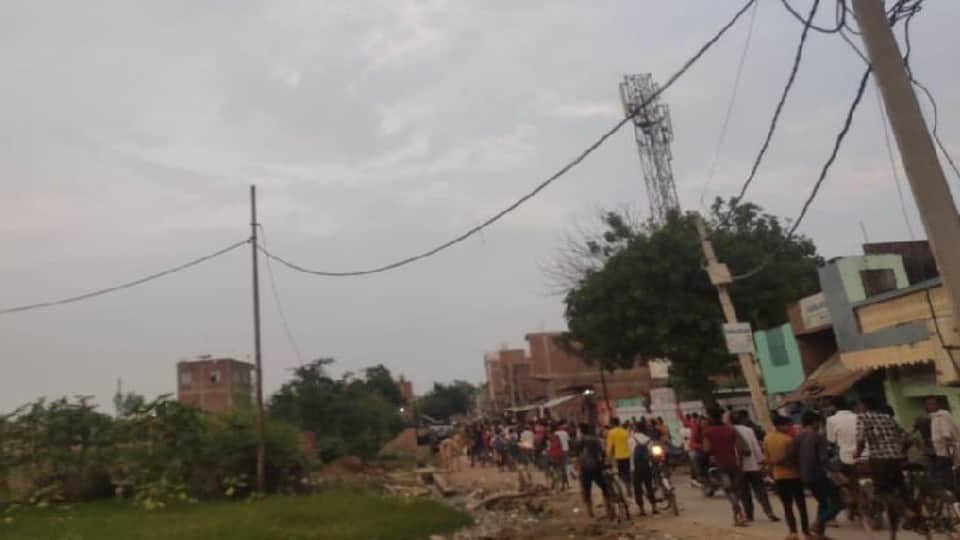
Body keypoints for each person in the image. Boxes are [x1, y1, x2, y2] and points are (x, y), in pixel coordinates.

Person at [789, 410, 843, 539]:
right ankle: (818, 523)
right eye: (818, 422)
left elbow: (791, 457)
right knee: (838, 502)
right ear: (814, 422)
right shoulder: (817, 437)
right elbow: (823, 459)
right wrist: (835, 471)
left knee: (822, 502)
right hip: (818, 474)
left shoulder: (797, 437)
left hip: (805, 476)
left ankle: (819, 533)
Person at [765, 415, 810, 540]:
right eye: (787, 425)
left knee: (787, 505)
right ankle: (806, 531)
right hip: (794, 475)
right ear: (780, 426)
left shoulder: (767, 439)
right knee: (801, 505)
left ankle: (793, 532)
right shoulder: (788, 439)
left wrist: (772, 471)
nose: (789, 427)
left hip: (778, 476)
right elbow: (794, 459)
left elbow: (767, 459)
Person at [702, 407, 748, 526]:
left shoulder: (707, 432)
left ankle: (739, 513)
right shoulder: (730, 429)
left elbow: (706, 449)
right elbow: (739, 446)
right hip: (734, 462)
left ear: (710, 417)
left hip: (720, 464)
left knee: (729, 490)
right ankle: (738, 515)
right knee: (736, 489)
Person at [732, 410, 779, 523]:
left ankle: (749, 515)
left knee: (744, 492)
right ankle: (769, 512)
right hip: (753, 465)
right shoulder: (749, 430)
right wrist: (761, 461)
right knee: (760, 490)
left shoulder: (730, 431)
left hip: (740, 467)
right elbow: (755, 446)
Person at [825, 396, 860, 520]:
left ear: (834, 407)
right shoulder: (858, 417)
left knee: (830, 472)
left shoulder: (831, 420)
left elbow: (831, 440)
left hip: (844, 457)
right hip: (864, 455)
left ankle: (846, 491)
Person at [575, 423, 611, 519]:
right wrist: (603, 463)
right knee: (604, 488)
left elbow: (577, 456)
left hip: (585, 469)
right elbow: (603, 452)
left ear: (581, 431)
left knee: (587, 490)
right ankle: (608, 510)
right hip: (597, 467)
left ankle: (590, 513)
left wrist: (579, 469)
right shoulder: (596, 440)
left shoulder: (579, 441)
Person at [926, 396, 960, 484]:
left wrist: (950, 452)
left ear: (938, 405)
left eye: (933, 404)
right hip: (942, 451)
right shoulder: (934, 416)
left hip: (947, 451)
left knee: (949, 475)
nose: (930, 406)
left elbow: (946, 434)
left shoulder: (942, 415)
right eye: (928, 404)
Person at [629, 423, 657, 516]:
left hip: (635, 468)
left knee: (638, 489)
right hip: (647, 466)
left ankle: (642, 510)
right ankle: (654, 507)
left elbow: (629, 453)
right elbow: (652, 453)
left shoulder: (631, 439)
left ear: (636, 429)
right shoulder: (649, 440)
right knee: (649, 487)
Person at [606, 417, 631, 488]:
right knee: (627, 472)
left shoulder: (611, 432)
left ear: (613, 423)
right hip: (627, 455)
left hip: (618, 456)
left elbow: (609, 446)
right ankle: (628, 486)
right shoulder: (625, 431)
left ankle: (624, 487)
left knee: (620, 473)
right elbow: (629, 443)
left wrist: (608, 457)